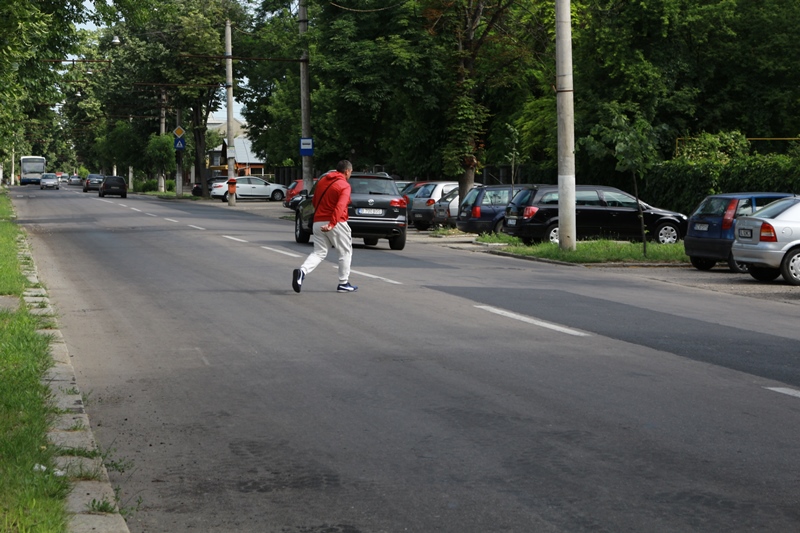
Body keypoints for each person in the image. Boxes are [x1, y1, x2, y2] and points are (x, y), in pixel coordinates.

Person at [292, 160, 358, 293]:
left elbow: (315, 201)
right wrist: (332, 223)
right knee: (345, 252)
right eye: (351, 172)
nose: (350, 174)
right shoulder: (344, 185)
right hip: (337, 222)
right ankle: (343, 283)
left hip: (318, 221)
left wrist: (322, 217)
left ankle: (302, 271)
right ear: (347, 171)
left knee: (319, 252)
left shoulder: (322, 181)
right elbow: (341, 206)